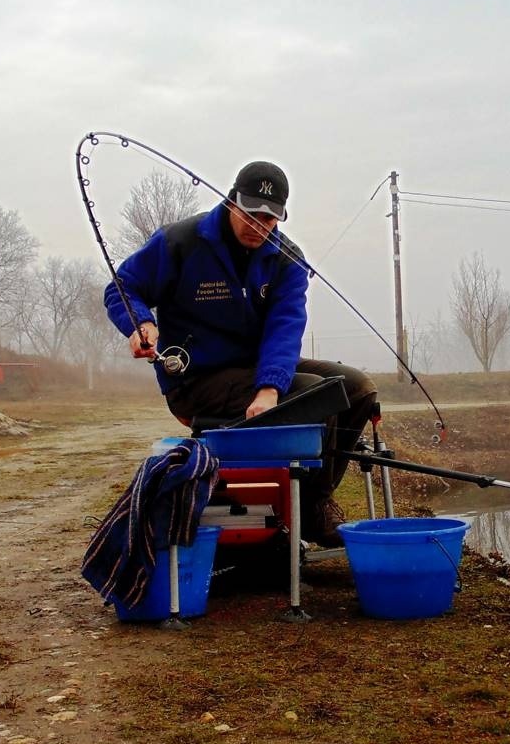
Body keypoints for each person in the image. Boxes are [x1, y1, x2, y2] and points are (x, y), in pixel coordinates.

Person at [104, 160, 377, 549]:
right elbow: (122, 286)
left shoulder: (288, 261)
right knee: (314, 392)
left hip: (258, 370)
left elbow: (285, 329)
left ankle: (315, 501)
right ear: (232, 202)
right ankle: (302, 515)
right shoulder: (180, 242)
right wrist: (139, 324)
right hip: (196, 379)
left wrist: (269, 387)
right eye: (251, 215)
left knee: (355, 387)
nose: (259, 227)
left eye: (270, 220)